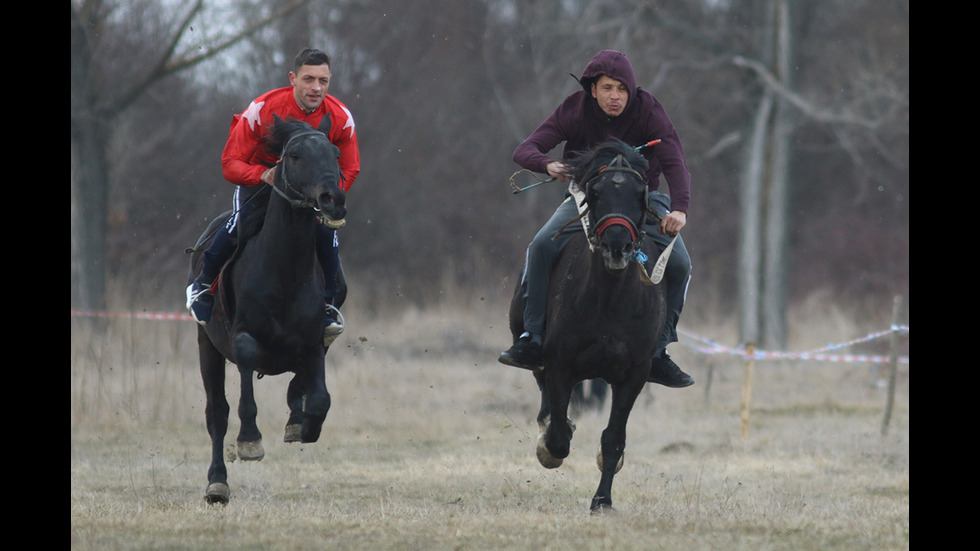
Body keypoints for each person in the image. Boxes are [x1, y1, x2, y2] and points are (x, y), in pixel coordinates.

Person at [498, 50, 694, 388]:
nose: (615, 96)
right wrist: (546, 164)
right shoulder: (574, 109)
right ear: (592, 89)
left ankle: (659, 353)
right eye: (607, 88)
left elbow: (674, 159)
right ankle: (532, 337)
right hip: (588, 198)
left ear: (631, 90)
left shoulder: (648, 109)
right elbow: (525, 149)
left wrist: (679, 208)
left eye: (621, 88)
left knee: (681, 264)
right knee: (541, 246)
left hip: (641, 199)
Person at [186, 48, 360, 346]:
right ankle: (202, 286)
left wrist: (328, 196)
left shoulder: (340, 117)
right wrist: (261, 175)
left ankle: (329, 305)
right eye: (308, 79)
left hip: (306, 192)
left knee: (327, 234)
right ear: (293, 78)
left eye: (323, 80)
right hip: (260, 183)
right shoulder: (263, 109)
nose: (316, 88)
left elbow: (350, 166)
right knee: (240, 224)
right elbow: (230, 163)